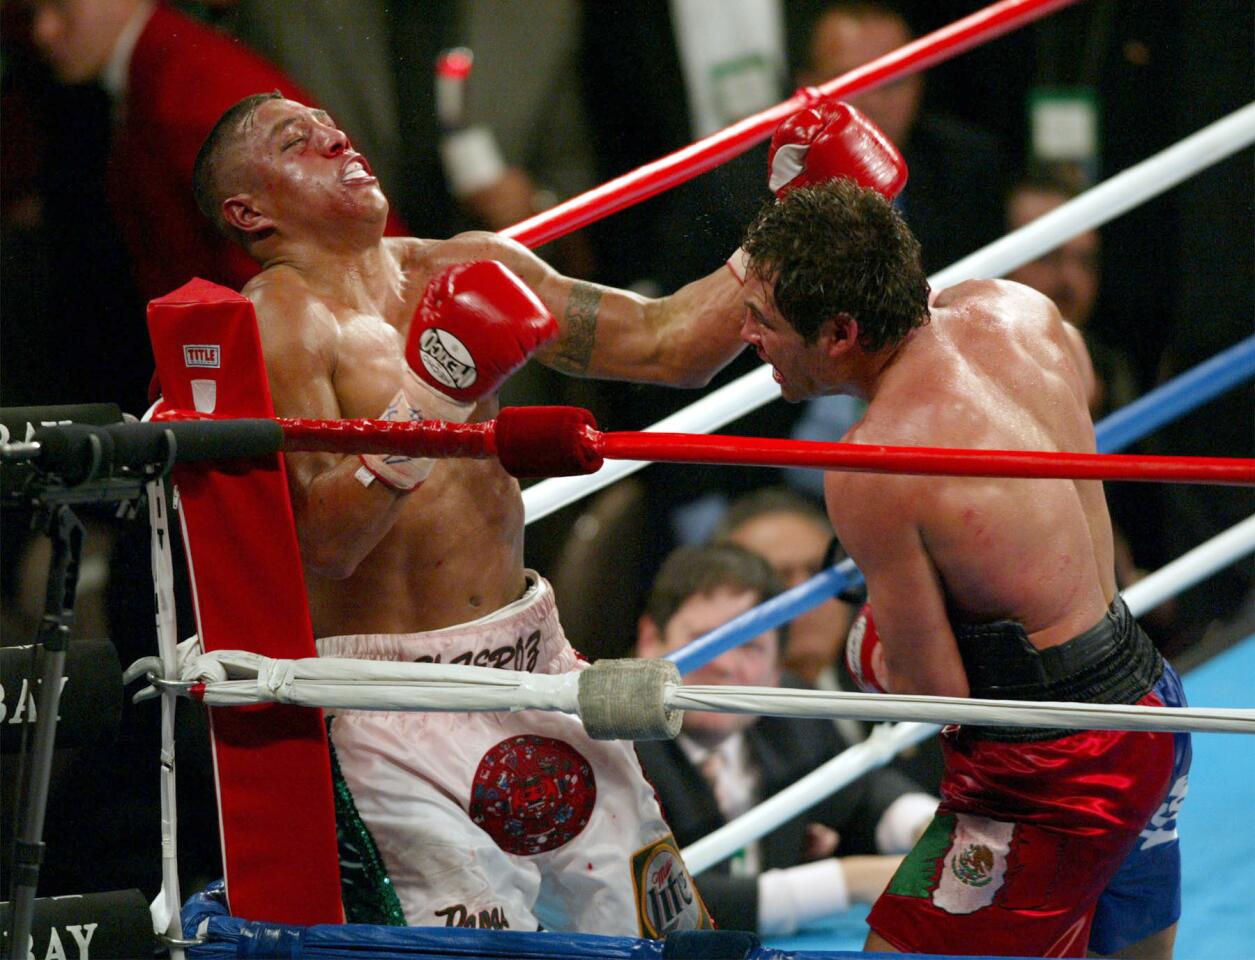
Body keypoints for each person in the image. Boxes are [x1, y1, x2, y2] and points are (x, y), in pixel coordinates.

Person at [737, 180, 1191, 958]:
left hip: (1048, 761)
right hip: (1147, 697)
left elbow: (936, 693)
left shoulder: (873, 467)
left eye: (765, 322)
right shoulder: (1017, 310)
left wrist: (866, 651)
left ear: (842, 332)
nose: (746, 335)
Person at [634, 542, 936, 935]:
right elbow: (652, 901)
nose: (724, 664)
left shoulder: (786, 715)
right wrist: (849, 881)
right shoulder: (612, 744)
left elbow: (860, 793)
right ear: (649, 641)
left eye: (749, 646)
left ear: (776, 671)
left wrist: (929, 828)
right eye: (704, 639)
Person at [712, 487, 946, 791]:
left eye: (819, 574)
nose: (805, 596)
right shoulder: (719, 723)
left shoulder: (899, 676)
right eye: (778, 578)